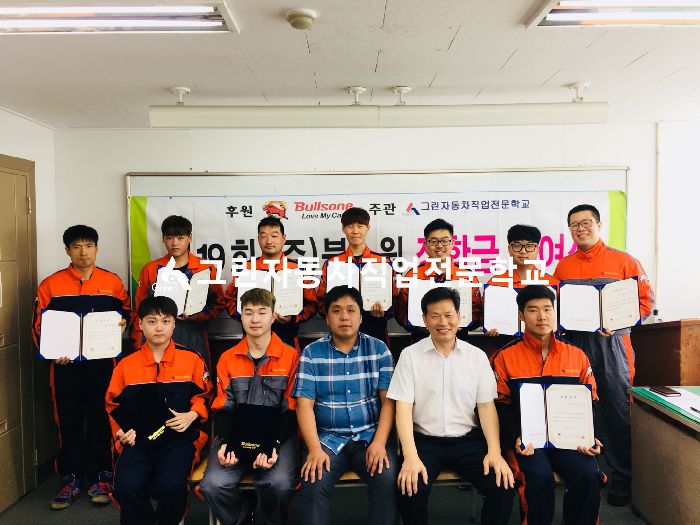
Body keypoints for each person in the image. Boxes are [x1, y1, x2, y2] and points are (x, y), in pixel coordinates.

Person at [554, 204, 654, 506]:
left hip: (613, 346)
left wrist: (620, 322)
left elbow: (645, 302)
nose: (580, 228)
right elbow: (553, 306)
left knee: (617, 412)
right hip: (575, 345)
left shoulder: (624, 261)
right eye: (574, 224)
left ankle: (621, 479)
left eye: (586, 222)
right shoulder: (563, 267)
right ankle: (584, 475)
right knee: (575, 408)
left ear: (599, 225)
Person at [387, 287, 514, 525]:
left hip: (468, 441)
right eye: (435, 316)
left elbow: (486, 408)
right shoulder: (410, 356)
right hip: (424, 442)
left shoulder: (476, 357)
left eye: (448, 315)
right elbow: (402, 409)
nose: (443, 322)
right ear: (424, 320)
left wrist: (494, 452)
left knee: (502, 487)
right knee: (409, 489)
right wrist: (410, 456)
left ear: (459, 316)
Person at [32, 225, 132, 510]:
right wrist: (53, 354)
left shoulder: (112, 282)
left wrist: (123, 323)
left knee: (103, 418)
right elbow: (38, 326)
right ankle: (71, 477)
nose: (83, 252)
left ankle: (103, 476)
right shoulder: (51, 285)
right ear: (67, 250)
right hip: (65, 368)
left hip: (103, 365)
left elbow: (127, 314)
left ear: (97, 248)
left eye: (88, 245)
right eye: (76, 247)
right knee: (68, 420)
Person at [491, 285, 603, 525]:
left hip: (569, 438)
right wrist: (515, 437)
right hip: (527, 441)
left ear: (555, 312)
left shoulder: (577, 356)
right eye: (533, 310)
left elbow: (591, 401)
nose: (541, 316)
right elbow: (498, 405)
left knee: (587, 474)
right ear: (521, 315)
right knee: (538, 476)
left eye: (547, 309)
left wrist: (590, 436)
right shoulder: (504, 357)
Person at [293, 285, 397, 525]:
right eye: (337, 310)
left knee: (387, 478)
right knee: (313, 479)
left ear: (361, 316)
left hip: (369, 436)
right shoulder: (311, 353)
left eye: (351, 310)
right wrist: (314, 449)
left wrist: (380, 442)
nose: (344, 317)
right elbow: (304, 405)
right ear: (327, 318)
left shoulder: (379, 350)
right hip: (327, 440)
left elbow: (388, 403)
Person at [107, 296, 211, 525]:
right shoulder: (126, 365)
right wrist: (120, 433)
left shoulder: (192, 360)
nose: (159, 327)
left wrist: (192, 414)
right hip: (138, 441)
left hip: (179, 439)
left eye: (165, 321)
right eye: (152, 321)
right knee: (126, 487)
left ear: (174, 324)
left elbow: (204, 397)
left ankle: (171, 519)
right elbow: (112, 406)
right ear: (140, 324)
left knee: (171, 485)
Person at [200, 288, 300, 525]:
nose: (255, 319)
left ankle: (272, 519)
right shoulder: (227, 358)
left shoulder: (291, 356)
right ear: (241, 316)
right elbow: (223, 408)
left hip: (277, 435)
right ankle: (242, 516)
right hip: (236, 434)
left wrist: (274, 445)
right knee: (213, 485)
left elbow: (291, 409)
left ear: (273, 316)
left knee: (278, 484)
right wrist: (225, 443)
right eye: (248, 312)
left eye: (262, 312)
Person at [132, 215, 225, 365]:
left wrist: (198, 316)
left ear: (190, 238)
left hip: (193, 335)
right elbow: (139, 311)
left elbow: (218, 303)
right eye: (169, 238)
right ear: (163, 239)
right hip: (157, 338)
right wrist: (138, 344)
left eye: (180, 238)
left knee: (195, 376)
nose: (174, 243)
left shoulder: (206, 269)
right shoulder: (151, 270)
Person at [223, 216, 317, 349]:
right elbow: (229, 299)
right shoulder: (245, 268)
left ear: (283, 238)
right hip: (251, 340)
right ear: (258, 239)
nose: (269, 241)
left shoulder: (299, 269)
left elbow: (312, 305)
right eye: (264, 236)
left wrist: (292, 319)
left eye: (274, 236)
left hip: (287, 337)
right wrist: (246, 316)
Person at [316, 207, 397, 345]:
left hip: (375, 327)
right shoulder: (332, 263)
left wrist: (384, 312)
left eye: (360, 226)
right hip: (342, 328)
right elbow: (321, 300)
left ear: (368, 228)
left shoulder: (383, 262)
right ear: (343, 229)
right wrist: (335, 312)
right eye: (350, 226)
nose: (355, 231)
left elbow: (395, 298)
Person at [394, 218, 483, 343]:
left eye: (445, 241)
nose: (439, 246)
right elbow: (400, 312)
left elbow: (477, 313)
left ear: (452, 243)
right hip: (421, 342)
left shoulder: (467, 276)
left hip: (459, 342)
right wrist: (417, 325)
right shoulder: (412, 276)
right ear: (425, 244)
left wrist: (463, 324)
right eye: (434, 241)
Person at [485, 224, 559, 338]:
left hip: (541, 344)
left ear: (538, 249)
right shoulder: (495, 283)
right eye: (517, 246)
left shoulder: (552, 283)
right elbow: (485, 317)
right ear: (509, 249)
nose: (523, 251)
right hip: (504, 342)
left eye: (529, 246)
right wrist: (488, 328)